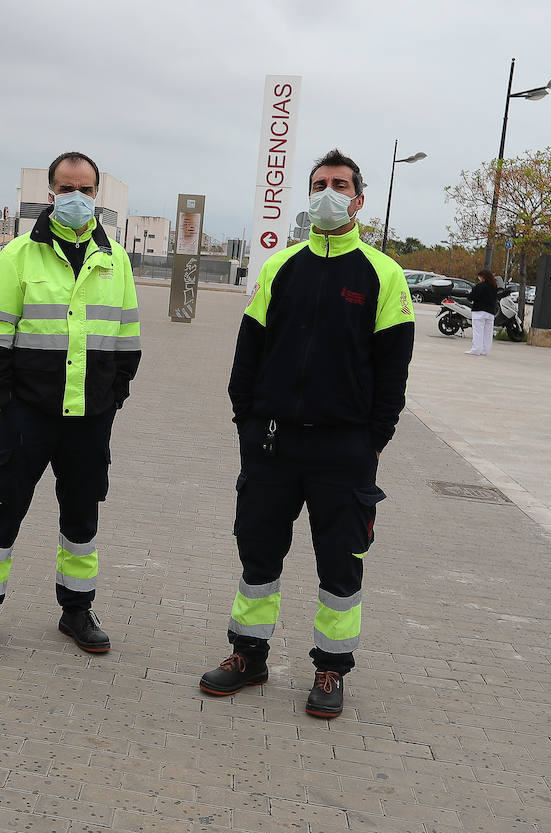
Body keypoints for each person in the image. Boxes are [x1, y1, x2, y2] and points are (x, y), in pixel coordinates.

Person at [200, 149, 415, 718]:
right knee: (257, 554)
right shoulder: (280, 267)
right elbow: (248, 353)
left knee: (340, 562)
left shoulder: (383, 274)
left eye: (340, 184)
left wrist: (373, 438)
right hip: (271, 443)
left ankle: (330, 668)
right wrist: (247, 422)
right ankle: (248, 655)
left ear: (359, 199)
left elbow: (393, 370)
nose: (329, 192)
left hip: (343, 449)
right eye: (320, 183)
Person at [0, 151, 142, 658]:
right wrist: (7, 400)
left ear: (97, 195)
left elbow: (128, 341)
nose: (77, 198)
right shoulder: (19, 254)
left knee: (82, 517)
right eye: (68, 188)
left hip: (90, 417)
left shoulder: (115, 260)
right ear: (51, 193)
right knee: (2, 511)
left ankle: (77, 610)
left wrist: (113, 397)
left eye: (86, 190)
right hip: (26, 415)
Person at [465, 268, 498, 356]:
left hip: (479, 311)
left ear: (483, 277)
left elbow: (472, 297)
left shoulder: (480, 286)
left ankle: (476, 349)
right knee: (488, 333)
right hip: (490, 312)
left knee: (478, 332)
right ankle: (485, 350)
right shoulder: (494, 286)